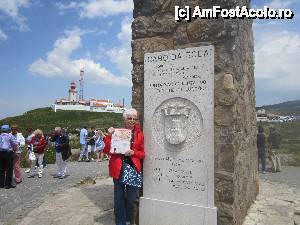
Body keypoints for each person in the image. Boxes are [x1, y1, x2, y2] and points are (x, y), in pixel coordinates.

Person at [103, 108, 145, 225]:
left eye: (134, 118)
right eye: (129, 118)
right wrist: (108, 136)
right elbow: (107, 150)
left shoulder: (140, 135)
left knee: (132, 198)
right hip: (118, 168)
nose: (132, 121)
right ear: (124, 119)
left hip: (133, 169)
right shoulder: (116, 132)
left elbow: (143, 153)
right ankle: (120, 222)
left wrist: (134, 153)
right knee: (119, 198)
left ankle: (127, 219)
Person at [0, 125, 17, 189]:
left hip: (0, 153)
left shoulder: (0, 136)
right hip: (8, 153)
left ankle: (1, 184)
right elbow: (15, 144)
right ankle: (8, 184)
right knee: (9, 169)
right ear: (8, 130)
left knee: (1, 169)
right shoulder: (10, 136)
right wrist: (14, 151)